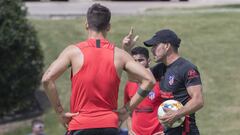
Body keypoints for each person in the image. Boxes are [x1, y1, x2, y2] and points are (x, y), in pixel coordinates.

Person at [41, 3, 156, 135]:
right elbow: (149, 80)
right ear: (108, 27)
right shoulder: (119, 55)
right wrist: (126, 110)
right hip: (109, 125)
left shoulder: (73, 52)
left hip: (81, 125)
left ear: (86, 25)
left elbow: (47, 79)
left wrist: (60, 112)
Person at [143, 29, 204, 135]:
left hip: (187, 132)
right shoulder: (159, 68)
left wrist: (176, 114)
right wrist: (126, 49)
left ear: (167, 46)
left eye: (155, 46)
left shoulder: (187, 68)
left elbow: (198, 100)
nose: (152, 50)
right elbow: (135, 76)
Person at [123, 47, 164, 135]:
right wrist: (130, 129)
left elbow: (171, 108)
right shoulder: (129, 84)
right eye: (134, 61)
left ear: (148, 61)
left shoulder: (159, 82)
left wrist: (166, 131)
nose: (137, 64)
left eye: (141, 60)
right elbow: (127, 111)